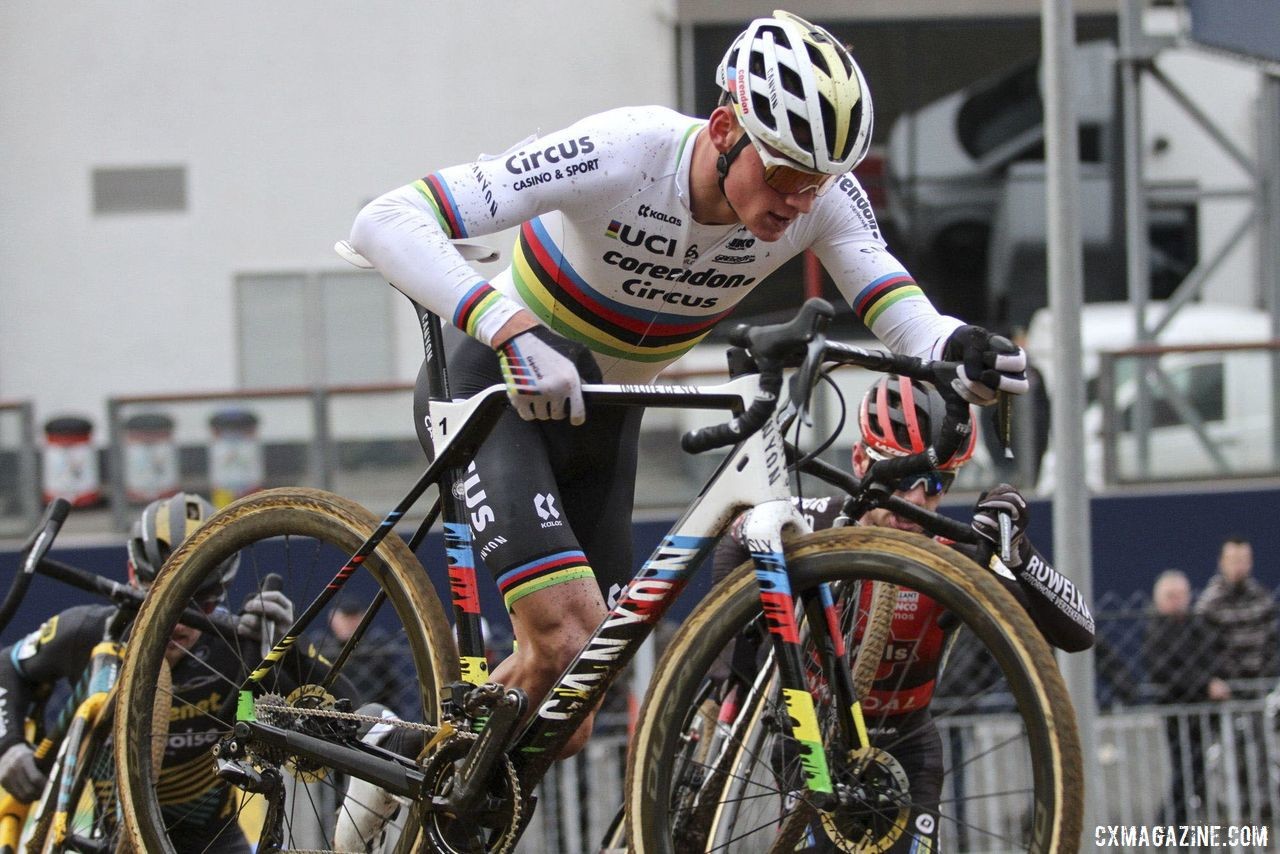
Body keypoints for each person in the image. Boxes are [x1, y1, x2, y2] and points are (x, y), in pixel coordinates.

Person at [348, 9, 1029, 755]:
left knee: (569, 708)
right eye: (784, 175)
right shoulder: (625, 151)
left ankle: (402, 758)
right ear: (724, 129)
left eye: (818, 182)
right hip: (494, 391)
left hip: (605, 419)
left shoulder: (814, 203)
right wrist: (509, 327)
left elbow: (895, 300)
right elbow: (387, 219)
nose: (799, 202)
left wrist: (957, 347)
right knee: (572, 639)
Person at [711, 375, 1094, 852]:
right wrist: (733, 666)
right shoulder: (814, 521)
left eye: (934, 483)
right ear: (859, 461)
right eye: (899, 475)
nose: (916, 499)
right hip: (811, 737)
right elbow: (734, 537)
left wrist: (1020, 556)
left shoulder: (955, 554)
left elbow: (1079, 632)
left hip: (906, 746)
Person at [0, 493, 295, 853]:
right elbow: (7, 665)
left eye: (199, 603)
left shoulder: (237, 642)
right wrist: (8, 744)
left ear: (222, 591)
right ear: (132, 576)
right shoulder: (85, 632)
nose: (176, 622)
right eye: (160, 596)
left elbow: (334, 706)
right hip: (115, 842)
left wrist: (287, 652)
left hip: (216, 842)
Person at [1194, 536, 1278, 822]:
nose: (1240, 567)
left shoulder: (1261, 598)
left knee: (1263, 748)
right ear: (1222, 563)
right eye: (1234, 561)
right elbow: (1202, 649)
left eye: (1244, 560)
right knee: (1230, 753)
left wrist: (1266, 676)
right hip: (1225, 693)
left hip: (1257, 688)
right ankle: (1234, 811)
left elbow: (1272, 643)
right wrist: (1216, 679)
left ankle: (1264, 808)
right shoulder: (1210, 603)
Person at [1142, 569, 1219, 825]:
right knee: (1186, 769)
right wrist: (1203, 683)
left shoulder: (1196, 626)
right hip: (1175, 707)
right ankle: (1168, 824)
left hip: (1201, 708)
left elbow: (1209, 660)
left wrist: (1204, 681)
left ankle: (1184, 823)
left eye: (1182, 595)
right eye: (1171, 596)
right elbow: (1164, 671)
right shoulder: (1157, 630)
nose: (1178, 602)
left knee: (1198, 769)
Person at [311, 596, 409, 716]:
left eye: (354, 618)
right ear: (333, 618)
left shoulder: (376, 648)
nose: (350, 624)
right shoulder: (321, 647)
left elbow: (391, 689)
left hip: (372, 713)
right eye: (345, 618)